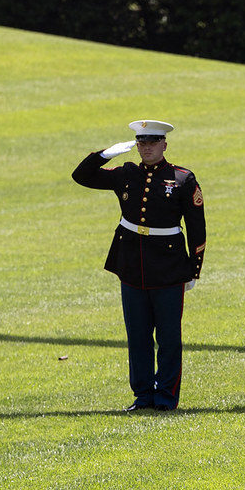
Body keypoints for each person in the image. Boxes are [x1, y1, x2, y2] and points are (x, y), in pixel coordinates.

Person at [72, 120, 206, 412]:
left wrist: (193, 269)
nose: (147, 148)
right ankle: (143, 395)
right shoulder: (126, 174)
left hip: (169, 268)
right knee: (138, 335)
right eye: (142, 143)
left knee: (169, 337)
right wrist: (105, 154)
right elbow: (81, 176)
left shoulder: (183, 179)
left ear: (164, 145)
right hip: (131, 264)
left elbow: (197, 227)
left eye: (153, 142)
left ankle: (166, 398)